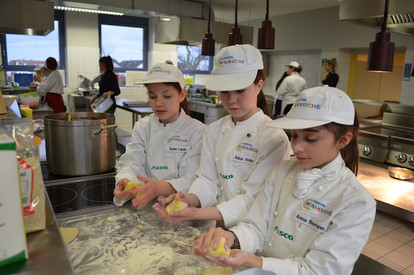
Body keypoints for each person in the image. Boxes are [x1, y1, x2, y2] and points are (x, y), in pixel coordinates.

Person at [194, 86, 376, 275]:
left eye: (311, 138)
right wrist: (232, 237)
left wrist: (257, 261)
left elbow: (319, 270)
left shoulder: (356, 201)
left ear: (343, 140)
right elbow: (256, 227)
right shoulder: (281, 171)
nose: (297, 147)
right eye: (294, 136)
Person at [153, 44, 291, 228]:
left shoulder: (274, 138)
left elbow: (254, 198)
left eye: (240, 91)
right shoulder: (214, 130)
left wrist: (199, 213)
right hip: (216, 224)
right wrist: (190, 200)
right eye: (225, 91)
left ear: (259, 86)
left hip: (251, 231)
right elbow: (208, 179)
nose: (231, 99)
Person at [113, 62, 205, 210]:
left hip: (181, 207)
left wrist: (160, 187)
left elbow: (194, 179)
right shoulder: (143, 126)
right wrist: (125, 180)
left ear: (182, 95)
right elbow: (132, 162)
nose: (159, 103)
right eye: (152, 96)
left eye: (167, 96)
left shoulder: (197, 131)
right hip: (146, 205)